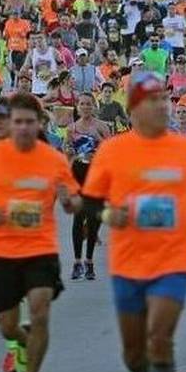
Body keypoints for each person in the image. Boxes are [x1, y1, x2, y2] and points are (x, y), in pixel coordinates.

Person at [80, 72, 186, 372]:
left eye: (165, 99)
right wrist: (107, 217)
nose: (161, 106)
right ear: (134, 107)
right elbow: (90, 202)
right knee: (134, 355)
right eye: (152, 100)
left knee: (160, 340)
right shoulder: (113, 151)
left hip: (172, 260)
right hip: (127, 262)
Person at [0, 93, 81, 372]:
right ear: (9, 124)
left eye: (29, 122)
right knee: (7, 325)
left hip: (40, 248)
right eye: (17, 122)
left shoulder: (54, 160)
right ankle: (24, 344)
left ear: (39, 125)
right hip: (3, 249)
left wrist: (68, 202)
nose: (23, 128)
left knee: (39, 309)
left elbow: (76, 202)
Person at [65, 92, 111, 281]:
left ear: (94, 106)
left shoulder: (102, 126)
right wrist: (69, 151)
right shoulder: (71, 128)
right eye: (82, 104)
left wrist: (99, 144)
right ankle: (77, 261)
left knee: (93, 219)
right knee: (78, 217)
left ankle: (89, 261)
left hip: (96, 174)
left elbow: (111, 150)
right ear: (78, 107)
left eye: (89, 104)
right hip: (78, 172)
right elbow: (67, 152)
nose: (86, 107)